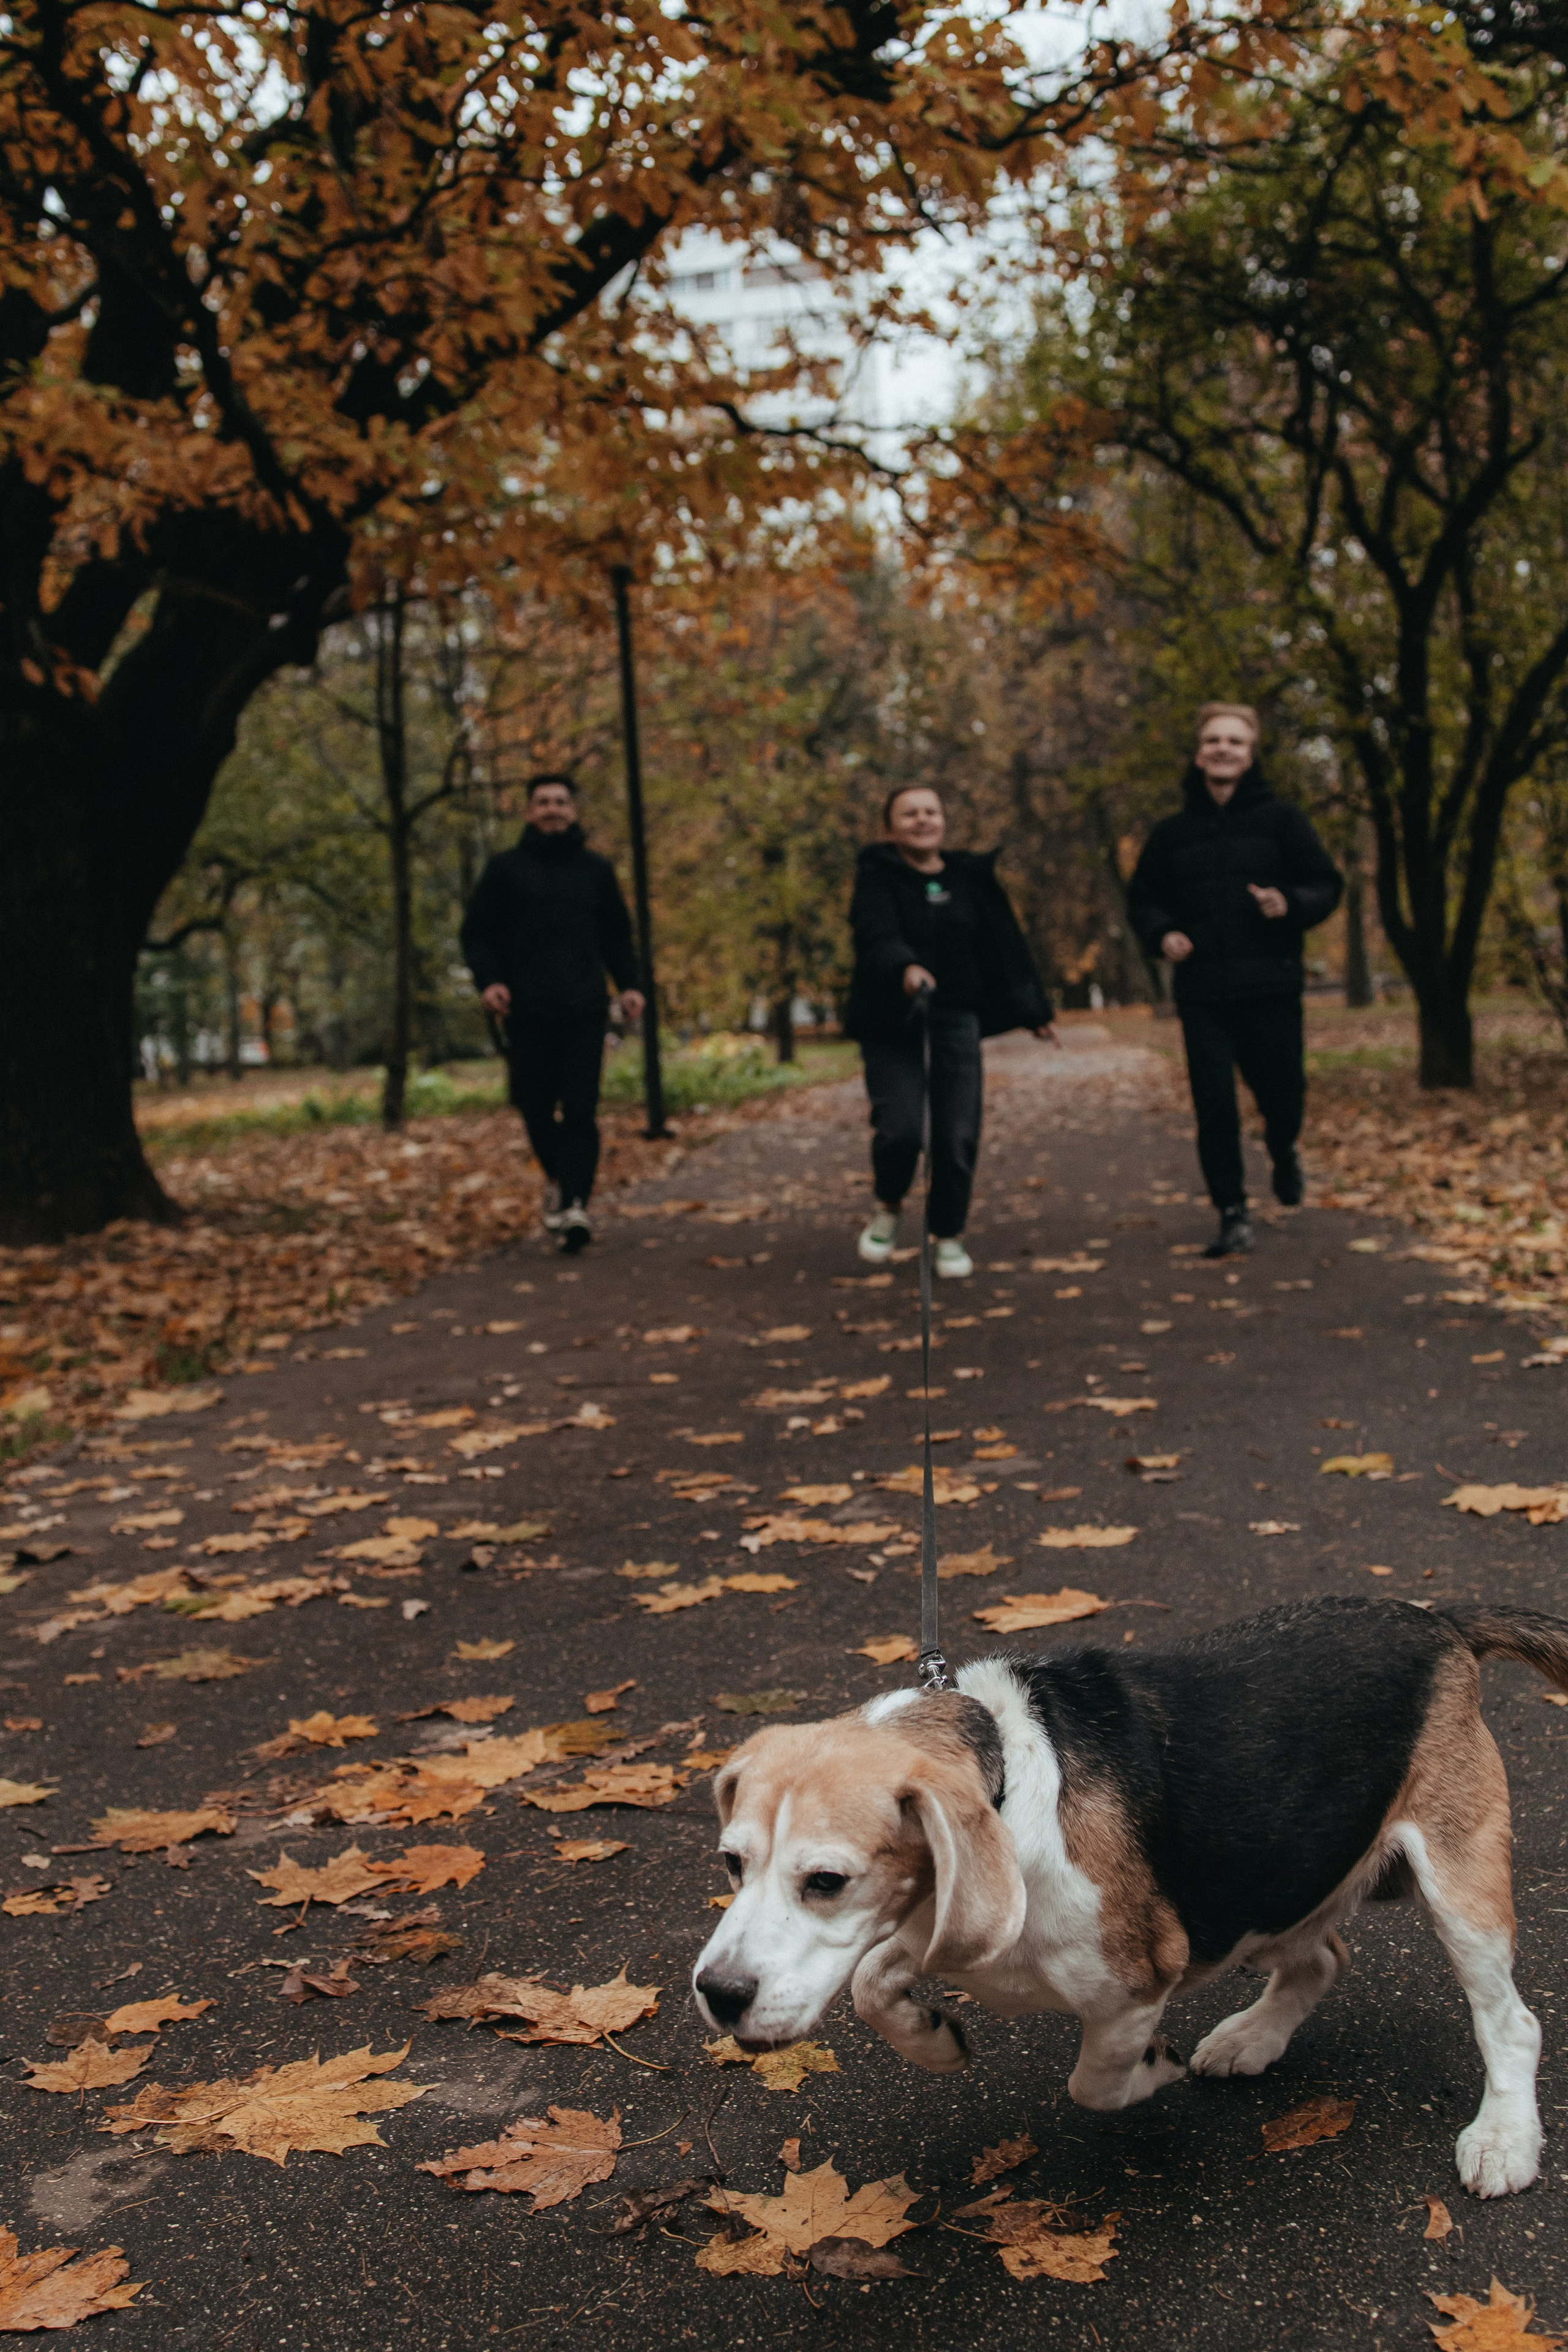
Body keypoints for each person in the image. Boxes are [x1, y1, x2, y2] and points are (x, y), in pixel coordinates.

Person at [1127, 703, 1342, 1259]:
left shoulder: (1283, 822)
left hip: (1270, 986)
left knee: (1283, 1097)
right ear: (1200, 755)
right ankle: (1231, 1211)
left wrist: (1289, 902)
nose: (1223, 749)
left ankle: (1283, 1148)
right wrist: (1163, 934)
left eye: (1235, 741)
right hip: (1203, 994)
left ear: (1250, 755)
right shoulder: (1171, 835)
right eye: (1214, 741)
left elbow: (1325, 884)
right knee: (1215, 1104)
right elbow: (1143, 899)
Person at [845, 785, 1057, 1280]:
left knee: (957, 1135)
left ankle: (948, 1233)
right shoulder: (876, 877)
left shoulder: (970, 878)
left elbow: (1006, 944)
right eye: (909, 814)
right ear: (889, 828)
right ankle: (889, 1203)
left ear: (943, 821)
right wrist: (905, 967)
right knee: (900, 1131)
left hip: (957, 1017)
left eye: (930, 812)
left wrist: (1034, 1009)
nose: (922, 820)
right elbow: (876, 934)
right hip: (891, 1023)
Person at [460, 775, 644, 1253]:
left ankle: (576, 1204)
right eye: (543, 802)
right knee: (535, 1107)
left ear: (573, 811)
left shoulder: (596, 870)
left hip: (584, 1009)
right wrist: (490, 981)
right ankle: (560, 1181)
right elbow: (477, 934)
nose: (553, 809)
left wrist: (630, 985)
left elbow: (617, 934)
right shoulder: (504, 871)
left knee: (581, 1109)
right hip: (527, 1011)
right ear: (529, 812)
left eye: (561, 802)